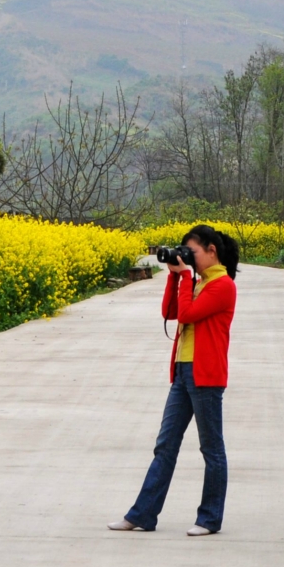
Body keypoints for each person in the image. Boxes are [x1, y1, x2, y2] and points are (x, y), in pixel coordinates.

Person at [110, 224, 238, 536]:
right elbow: (170, 312)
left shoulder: (222, 286)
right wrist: (173, 275)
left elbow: (188, 315)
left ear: (212, 251)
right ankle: (142, 515)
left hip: (206, 375)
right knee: (165, 445)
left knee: (211, 448)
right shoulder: (197, 282)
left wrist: (184, 278)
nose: (187, 257)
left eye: (191, 252)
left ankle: (209, 519)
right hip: (183, 371)